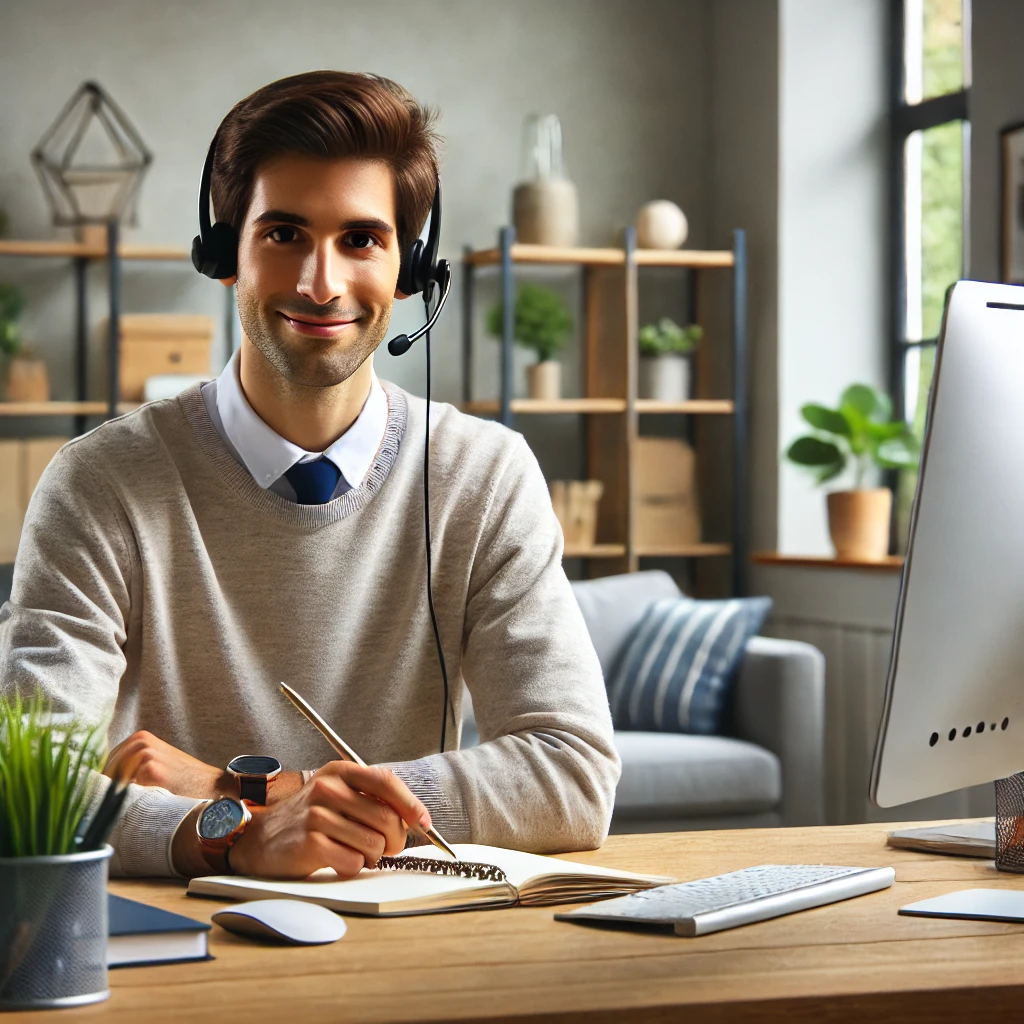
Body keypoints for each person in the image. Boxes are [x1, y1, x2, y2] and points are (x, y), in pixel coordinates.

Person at [0, 71, 620, 879]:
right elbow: (24, 780)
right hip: (182, 946)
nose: (320, 283)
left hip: (412, 935)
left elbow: (572, 775)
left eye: (360, 239)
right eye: (283, 234)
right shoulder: (99, 483)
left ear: (410, 268)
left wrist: (250, 792)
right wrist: (233, 835)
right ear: (224, 254)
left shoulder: (485, 476)